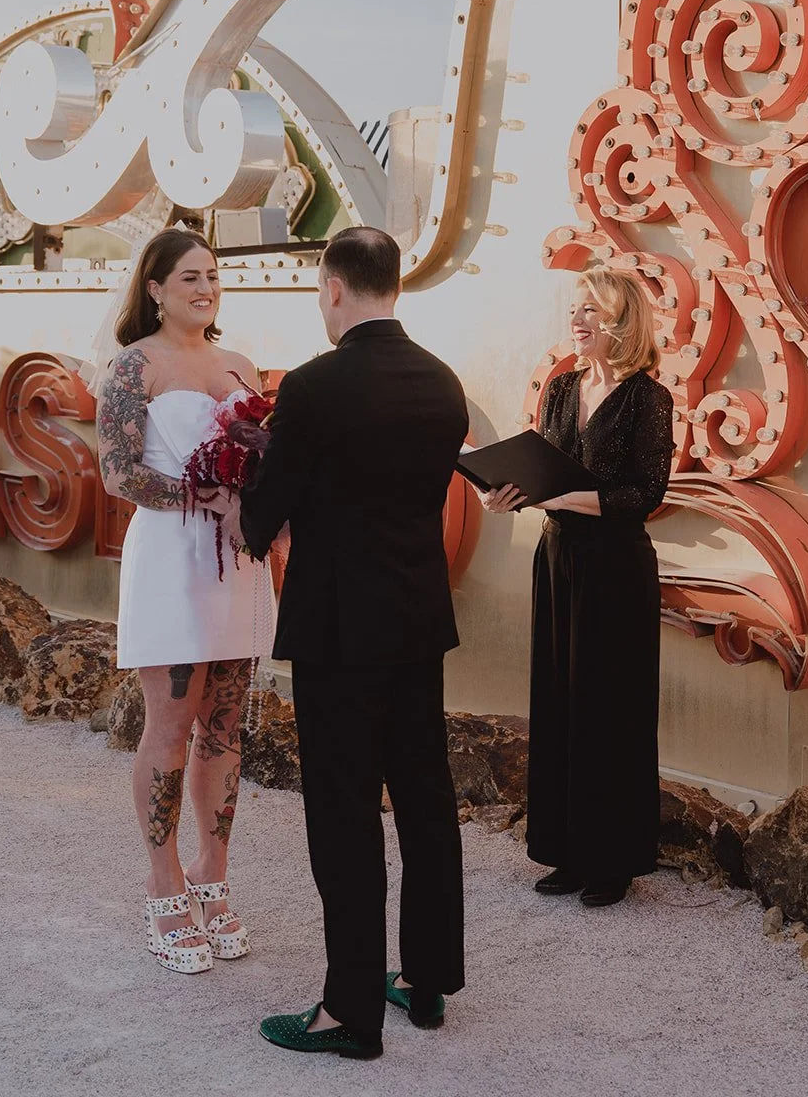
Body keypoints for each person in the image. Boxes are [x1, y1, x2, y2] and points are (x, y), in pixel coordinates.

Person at [231, 226, 469, 1061]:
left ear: (333, 288)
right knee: (424, 797)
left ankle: (348, 1013)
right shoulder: (442, 384)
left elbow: (269, 507)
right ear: (391, 285)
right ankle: (427, 979)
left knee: (343, 814)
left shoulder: (315, 384)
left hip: (338, 627)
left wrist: (246, 504)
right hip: (415, 618)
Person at [96, 227, 275, 974]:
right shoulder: (132, 368)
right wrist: (204, 495)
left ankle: (213, 870)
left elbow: (267, 461)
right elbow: (118, 474)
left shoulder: (239, 365)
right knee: (169, 728)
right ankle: (162, 883)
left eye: (212, 276)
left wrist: (257, 500)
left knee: (226, 726)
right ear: (156, 287)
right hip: (171, 558)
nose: (205, 288)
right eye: (189, 277)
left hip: (237, 563)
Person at [482, 268, 673, 908]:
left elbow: (642, 496)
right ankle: (565, 849)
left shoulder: (649, 399)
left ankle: (611, 859)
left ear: (622, 322)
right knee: (559, 699)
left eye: (592, 309)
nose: (578, 320)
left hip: (616, 568)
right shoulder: (563, 388)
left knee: (610, 708)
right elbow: (544, 465)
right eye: (575, 309)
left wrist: (563, 495)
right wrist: (505, 494)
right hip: (558, 557)